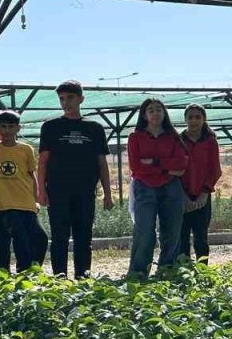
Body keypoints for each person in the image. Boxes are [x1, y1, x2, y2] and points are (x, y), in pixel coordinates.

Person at [37, 80, 114, 279]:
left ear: (81, 99)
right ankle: (59, 277)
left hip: (85, 191)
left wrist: (108, 193)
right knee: (59, 236)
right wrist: (41, 190)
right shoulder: (51, 127)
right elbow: (43, 161)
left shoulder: (95, 128)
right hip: (57, 191)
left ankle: (82, 276)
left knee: (83, 236)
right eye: (62, 99)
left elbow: (102, 163)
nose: (66, 102)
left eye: (70, 97)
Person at [127, 98, 189, 278]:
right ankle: (138, 273)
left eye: (159, 109)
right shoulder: (135, 137)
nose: (155, 113)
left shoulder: (173, 137)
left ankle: (166, 271)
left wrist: (154, 162)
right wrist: (168, 167)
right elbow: (136, 167)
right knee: (145, 232)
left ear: (164, 113)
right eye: (151, 110)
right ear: (144, 115)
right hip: (144, 187)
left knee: (172, 232)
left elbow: (181, 165)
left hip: (171, 188)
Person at [0, 112, 48, 273]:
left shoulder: (26, 149)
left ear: (18, 128)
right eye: (3, 127)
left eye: (11, 127)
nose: (7, 131)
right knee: (18, 238)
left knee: (41, 238)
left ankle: (31, 271)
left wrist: (36, 199)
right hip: (4, 204)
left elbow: (31, 175)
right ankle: (17, 272)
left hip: (26, 202)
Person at [179, 104, 222, 263]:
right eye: (190, 117)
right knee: (181, 238)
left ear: (204, 119)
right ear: (185, 120)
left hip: (202, 197)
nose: (194, 121)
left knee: (201, 238)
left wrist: (204, 193)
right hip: (182, 196)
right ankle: (183, 272)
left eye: (198, 117)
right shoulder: (179, 140)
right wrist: (182, 196)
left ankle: (202, 272)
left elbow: (215, 170)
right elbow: (174, 170)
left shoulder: (210, 142)